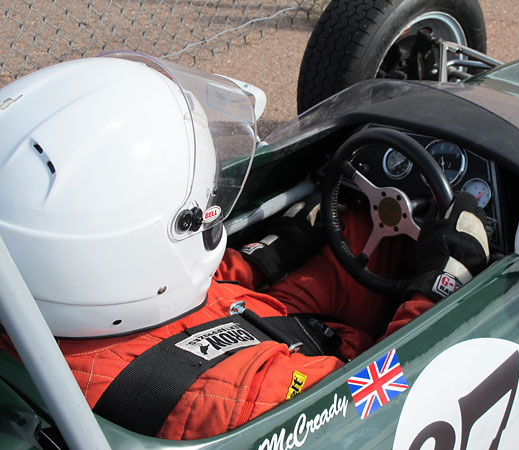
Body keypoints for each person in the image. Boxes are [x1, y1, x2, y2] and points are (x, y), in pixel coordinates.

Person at [0, 53, 489, 440]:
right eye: (205, 199)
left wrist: (264, 256)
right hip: (330, 360)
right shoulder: (243, 398)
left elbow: (194, 314)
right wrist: (440, 289)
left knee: (352, 237)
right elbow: (377, 401)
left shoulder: (76, 299)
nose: (213, 207)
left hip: (252, 321)